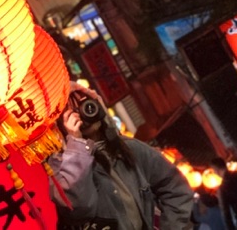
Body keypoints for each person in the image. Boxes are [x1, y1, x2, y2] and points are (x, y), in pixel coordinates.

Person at [49, 84, 195, 229]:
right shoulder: (60, 165)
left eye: (85, 103)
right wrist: (76, 144)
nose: (84, 112)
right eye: (73, 111)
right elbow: (79, 210)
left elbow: (176, 188)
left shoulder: (129, 148)